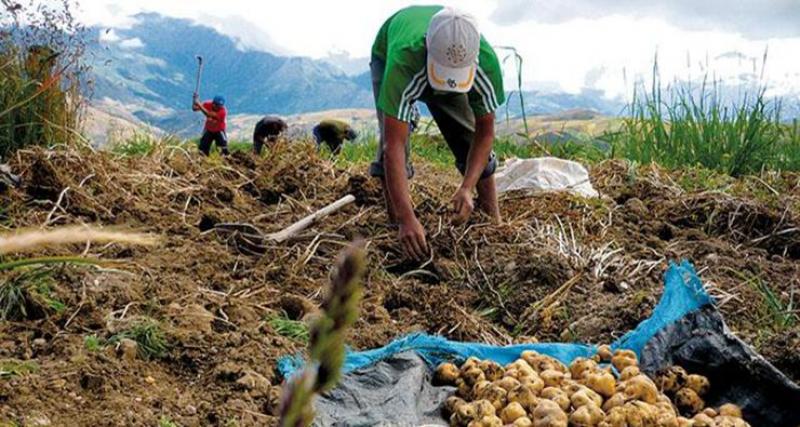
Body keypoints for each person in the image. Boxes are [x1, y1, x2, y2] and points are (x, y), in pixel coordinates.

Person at [369, 6, 506, 260]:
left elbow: (484, 134)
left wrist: (467, 187)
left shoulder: (486, 64)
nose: (447, 85)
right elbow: (393, 146)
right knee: (394, 139)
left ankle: (492, 219)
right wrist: (407, 218)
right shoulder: (403, 60)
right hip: (391, 54)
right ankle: (398, 226)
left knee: (466, 133)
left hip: (436, 67)